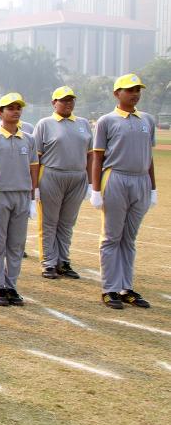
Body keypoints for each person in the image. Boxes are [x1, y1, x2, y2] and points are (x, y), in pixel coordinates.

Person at [90, 73, 158, 309]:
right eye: (130, 90)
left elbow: (149, 157)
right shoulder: (106, 121)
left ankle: (126, 287)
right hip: (115, 178)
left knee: (129, 238)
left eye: (138, 89)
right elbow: (98, 157)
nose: (135, 94)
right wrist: (96, 189)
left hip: (140, 181)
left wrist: (153, 187)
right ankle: (110, 288)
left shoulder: (147, 120)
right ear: (117, 93)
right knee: (112, 237)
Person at [0, 93, 38, 306]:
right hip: (0, 195)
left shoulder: (29, 139)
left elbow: (34, 169)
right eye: (10, 108)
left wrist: (32, 198)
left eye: (18, 107)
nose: (15, 111)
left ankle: (11, 285)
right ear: (0, 113)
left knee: (16, 244)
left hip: (21, 195)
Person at [32, 86, 91, 280]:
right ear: (54, 103)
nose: (68, 103)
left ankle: (63, 261)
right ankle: (48, 262)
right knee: (49, 222)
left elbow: (90, 156)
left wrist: (90, 183)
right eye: (63, 100)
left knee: (67, 222)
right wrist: (35, 186)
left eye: (71, 100)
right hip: (51, 175)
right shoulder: (45, 124)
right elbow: (36, 157)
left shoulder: (82, 123)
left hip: (77, 177)